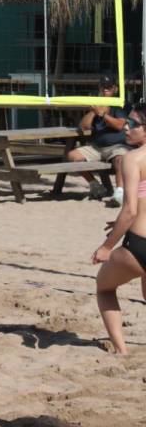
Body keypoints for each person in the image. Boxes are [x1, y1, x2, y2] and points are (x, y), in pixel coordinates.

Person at [92, 103, 146, 355]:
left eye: (133, 124)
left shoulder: (133, 158)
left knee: (104, 287)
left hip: (140, 245)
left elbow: (131, 211)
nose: (126, 126)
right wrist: (121, 223)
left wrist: (106, 247)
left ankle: (122, 351)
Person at [67, 75, 130, 204]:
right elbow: (83, 127)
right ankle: (95, 185)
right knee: (72, 156)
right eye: (103, 87)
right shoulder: (97, 104)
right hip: (97, 147)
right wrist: (94, 112)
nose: (105, 90)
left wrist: (103, 114)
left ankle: (119, 193)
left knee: (120, 160)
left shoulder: (120, 104)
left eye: (109, 87)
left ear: (115, 89)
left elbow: (119, 125)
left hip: (117, 146)